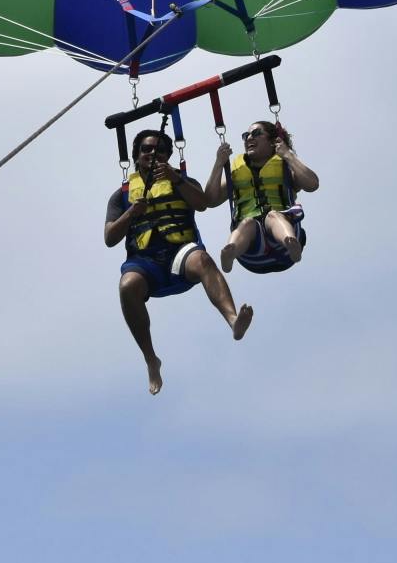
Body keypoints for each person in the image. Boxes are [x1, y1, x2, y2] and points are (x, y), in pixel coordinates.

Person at [106, 128, 253, 395]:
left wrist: (177, 180)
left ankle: (233, 320)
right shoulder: (122, 194)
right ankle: (151, 359)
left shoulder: (183, 180)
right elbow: (109, 237)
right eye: (147, 149)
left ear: (168, 156)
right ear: (137, 157)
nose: (153, 153)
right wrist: (131, 213)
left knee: (203, 259)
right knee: (127, 286)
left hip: (179, 254)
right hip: (144, 262)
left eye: (160, 150)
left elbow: (202, 204)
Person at [205, 119, 320, 275]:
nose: (249, 138)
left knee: (273, 216)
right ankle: (230, 251)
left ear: (273, 142)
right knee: (248, 223)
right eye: (246, 136)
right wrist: (219, 163)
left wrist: (288, 155)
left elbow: (312, 184)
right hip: (251, 252)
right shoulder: (236, 175)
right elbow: (210, 201)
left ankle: (290, 241)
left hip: (284, 245)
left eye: (256, 133)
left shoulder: (285, 168)